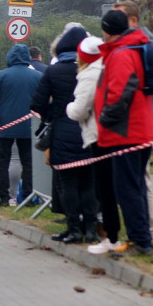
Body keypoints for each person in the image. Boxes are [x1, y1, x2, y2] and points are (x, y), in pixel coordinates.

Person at [96, 9, 153, 256]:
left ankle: (140, 242)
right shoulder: (129, 49)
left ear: (107, 31)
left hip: (126, 133)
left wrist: (105, 119)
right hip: (134, 130)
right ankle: (140, 239)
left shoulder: (121, 54)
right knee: (135, 186)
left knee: (128, 190)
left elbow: (121, 91)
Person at [31, 25, 97, 244]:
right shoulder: (92, 69)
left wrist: (54, 114)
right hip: (90, 132)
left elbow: (37, 104)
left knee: (67, 183)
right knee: (88, 183)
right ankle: (91, 229)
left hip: (62, 133)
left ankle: (73, 228)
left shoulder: (54, 71)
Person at [66, 37, 123, 254]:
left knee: (104, 188)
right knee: (110, 186)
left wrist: (68, 107)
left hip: (98, 134)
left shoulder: (90, 74)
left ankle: (110, 235)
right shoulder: (110, 66)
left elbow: (80, 109)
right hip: (116, 132)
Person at [0, 44, 42, 207]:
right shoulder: (37, 76)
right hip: (29, 125)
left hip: (5, 125)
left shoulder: (1, 76)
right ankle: (27, 197)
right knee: (28, 162)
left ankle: (4, 197)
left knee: (3, 161)